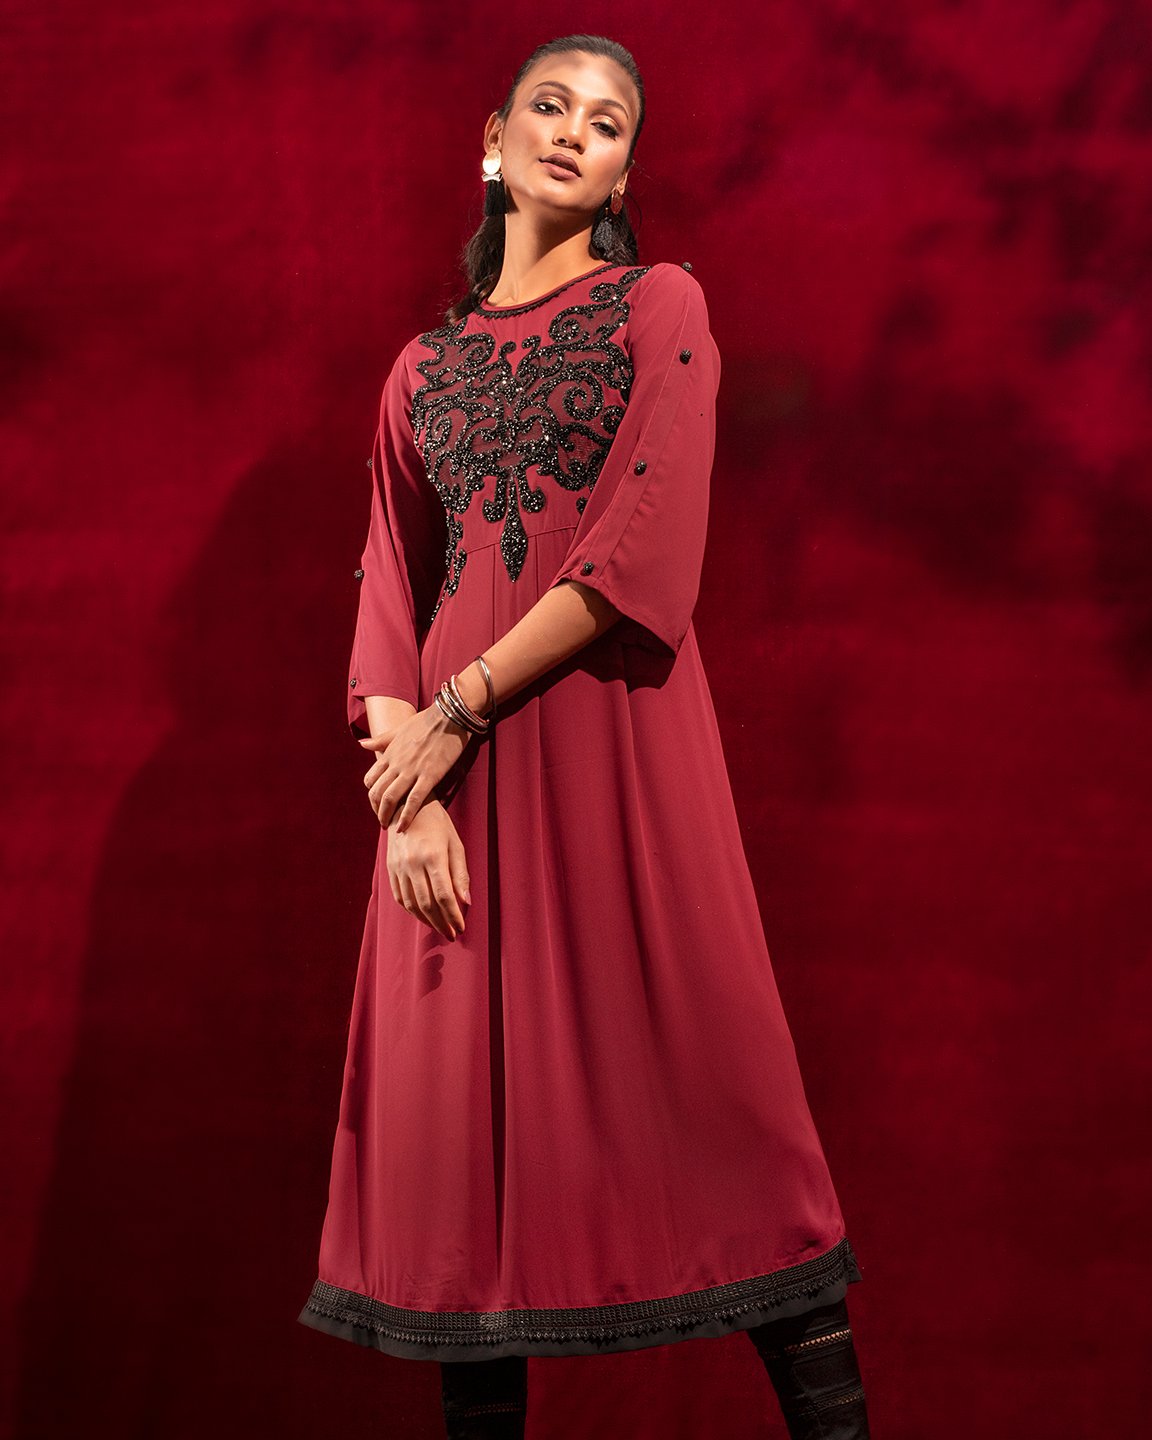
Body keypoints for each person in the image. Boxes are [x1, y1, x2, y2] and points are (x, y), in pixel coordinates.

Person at [297, 33, 871, 1440]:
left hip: (611, 750)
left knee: (726, 1108)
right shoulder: (420, 370)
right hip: (446, 795)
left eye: (606, 123)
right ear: (492, 143)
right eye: (549, 108)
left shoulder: (658, 305)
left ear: (623, 174)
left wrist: (456, 712)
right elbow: (387, 587)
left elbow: (641, 549)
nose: (574, 131)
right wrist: (409, 802)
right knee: (462, 1174)